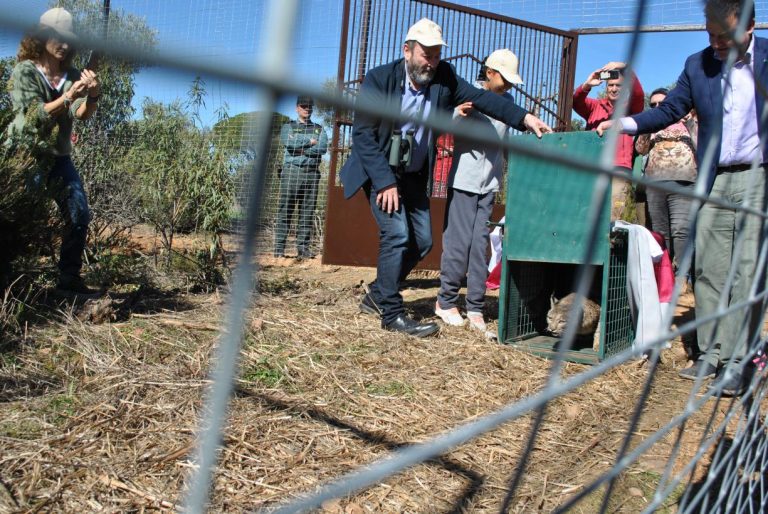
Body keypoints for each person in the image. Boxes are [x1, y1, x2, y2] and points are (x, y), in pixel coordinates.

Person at [596, 0, 767, 396]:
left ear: (750, 26)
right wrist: (624, 123)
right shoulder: (697, 64)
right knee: (709, 267)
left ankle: (738, 361)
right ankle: (710, 351)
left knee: (747, 269)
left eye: (725, 36)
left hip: (759, 174)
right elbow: (671, 108)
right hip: (713, 177)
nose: (716, 43)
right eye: (710, 34)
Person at [340, 18, 551, 337]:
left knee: (423, 241)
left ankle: (378, 295)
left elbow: (482, 99)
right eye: (426, 54)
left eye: (437, 55)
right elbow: (363, 136)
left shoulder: (444, 76)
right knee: (397, 234)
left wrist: (525, 118)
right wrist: (384, 182)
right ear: (407, 50)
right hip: (380, 169)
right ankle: (392, 313)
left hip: (412, 173)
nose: (432, 61)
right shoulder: (379, 80)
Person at [9, 8, 101, 296]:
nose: (64, 44)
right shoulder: (25, 71)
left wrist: (92, 95)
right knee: (18, 218)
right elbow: (34, 115)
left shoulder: (71, 74)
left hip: (59, 158)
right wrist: (68, 96)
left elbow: (80, 113)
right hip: (25, 158)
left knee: (79, 214)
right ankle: (11, 280)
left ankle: (68, 279)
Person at [434, 50, 523, 334]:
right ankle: (446, 301)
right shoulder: (468, 96)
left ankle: (475, 306)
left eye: (511, 81)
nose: (508, 85)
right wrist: (456, 116)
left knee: (480, 244)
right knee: (458, 243)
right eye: (504, 79)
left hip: (489, 184)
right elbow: (441, 127)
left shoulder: (508, 103)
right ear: (489, 73)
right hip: (464, 181)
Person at [634, 87, 698, 275]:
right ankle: (664, 276)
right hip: (655, 184)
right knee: (660, 232)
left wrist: (690, 123)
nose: (657, 107)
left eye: (661, 103)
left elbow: (702, 145)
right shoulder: (652, 126)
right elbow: (640, 149)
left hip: (684, 182)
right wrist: (648, 126)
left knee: (681, 230)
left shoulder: (688, 121)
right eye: (653, 105)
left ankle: (683, 277)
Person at [572, 61, 644, 219]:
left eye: (619, 85)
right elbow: (575, 102)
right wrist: (587, 85)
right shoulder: (594, 107)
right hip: (593, 167)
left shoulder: (630, 109)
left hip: (619, 169)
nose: (614, 89)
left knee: (614, 216)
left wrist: (625, 66)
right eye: (610, 85)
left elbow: (639, 95)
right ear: (606, 87)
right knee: (588, 213)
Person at [274, 95, 329, 259]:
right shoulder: (288, 126)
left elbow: (322, 148)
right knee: (286, 210)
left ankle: (303, 249)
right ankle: (279, 249)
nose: (307, 109)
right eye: (304, 106)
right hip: (292, 172)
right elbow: (289, 143)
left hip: (312, 174)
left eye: (309, 106)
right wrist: (310, 141)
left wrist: (301, 147)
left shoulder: (319, 129)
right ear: (297, 108)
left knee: (307, 212)